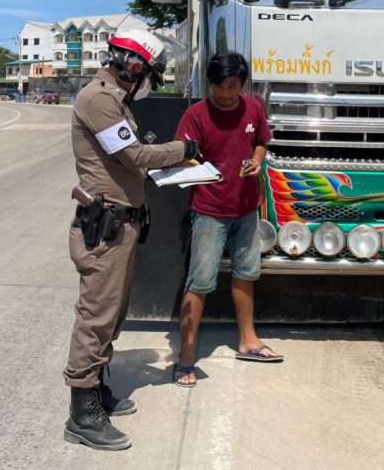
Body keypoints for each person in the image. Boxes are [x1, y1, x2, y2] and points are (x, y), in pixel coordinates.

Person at [63, 28, 201, 451]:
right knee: (96, 316)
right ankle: (81, 414)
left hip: (122, 224)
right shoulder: (98, 100)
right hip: (104, 227)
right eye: (148, 74)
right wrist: (183, 149)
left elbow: (132, 160)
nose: (147, 84)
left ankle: (97, 388)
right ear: (133, 66)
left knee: (113, 313)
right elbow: (134, 155)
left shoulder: (116, 101)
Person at [171, 52, 282, 388]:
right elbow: (180, 155)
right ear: (209, 84)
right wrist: (196, 167)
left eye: (232, 87)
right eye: (218, 87)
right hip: (209, 210)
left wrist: (256, 160)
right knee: (200, 280)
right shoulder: (195, 115)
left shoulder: (254, 108)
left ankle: (248, 341)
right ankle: (186, 356)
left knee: (246, 274)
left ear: (242, 85)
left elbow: (260, 141)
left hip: (246, 207)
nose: (224, 94)